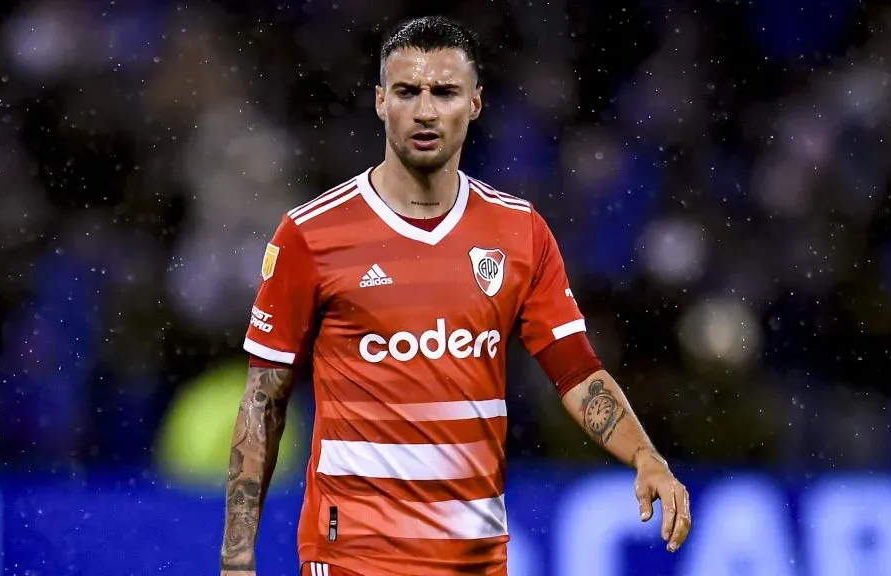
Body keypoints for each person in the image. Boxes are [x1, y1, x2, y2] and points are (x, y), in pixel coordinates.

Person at [219, 15, 691, 576]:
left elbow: (576, 372)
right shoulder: (312, 234)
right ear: (379, 102)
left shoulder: (520, 233)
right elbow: (264, 399)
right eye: (406, 92)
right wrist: (237, 558)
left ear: (475, 103)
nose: (425, 111)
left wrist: (644, 454)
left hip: (475, 559)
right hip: (352, 557)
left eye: (444, 92)